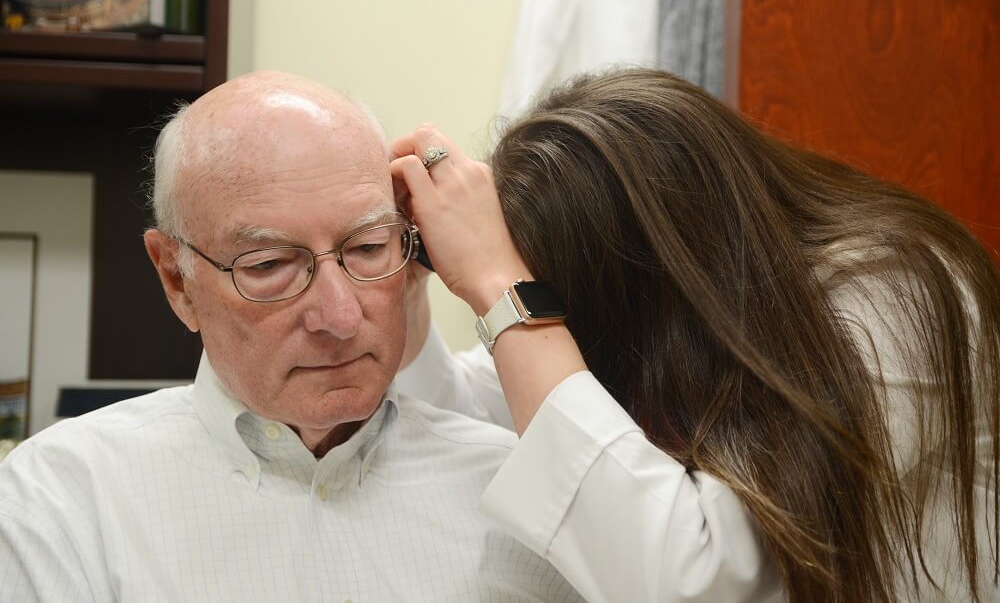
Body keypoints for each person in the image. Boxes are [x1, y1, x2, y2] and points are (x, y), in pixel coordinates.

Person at [390, 68, 1000, 603]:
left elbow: (697, 579)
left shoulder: (895, 298)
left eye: (547, 298)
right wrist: (409, 288)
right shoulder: (665, 332)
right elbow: (480, 422)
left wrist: (502, 286)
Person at [0, 71, 585, 602]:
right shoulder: (65, 502)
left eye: (368, 248)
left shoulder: (519, 495)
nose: (340, 316)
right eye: (269, 264)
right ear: (177, 280)